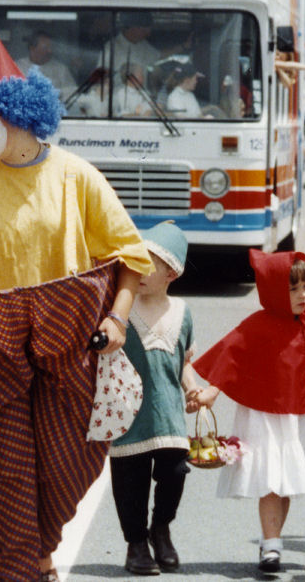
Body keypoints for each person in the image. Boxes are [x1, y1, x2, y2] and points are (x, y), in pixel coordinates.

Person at [0, 34, 151, 582]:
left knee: (71, 460)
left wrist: (116, 316)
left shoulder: (75, 175)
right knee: (6, 466)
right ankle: (19, 568)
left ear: (22, 118)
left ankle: (39, 548)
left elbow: (128, 254)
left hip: (68, 341)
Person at [191, 249, 305, 574]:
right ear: (274, 291)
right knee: (273, 479)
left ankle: (272, 540)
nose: (304, 295)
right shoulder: (257, 325)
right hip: (266, 416)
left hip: (299, 415)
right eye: (294, 289)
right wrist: (211, 392)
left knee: (284, 482)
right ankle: (271, 545)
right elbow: (231, 358)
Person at [109, 221, 201, 576]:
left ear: (171, 273)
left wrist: (192, 388)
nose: (137, 272)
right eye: (133, 263)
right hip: (128, 415)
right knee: (129, 481)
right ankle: (136, 544)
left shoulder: (182, 312)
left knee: (175, 472)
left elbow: (182, 362)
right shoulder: (121, 308)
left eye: (148, 264)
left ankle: (161, 529)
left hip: (169, 417)